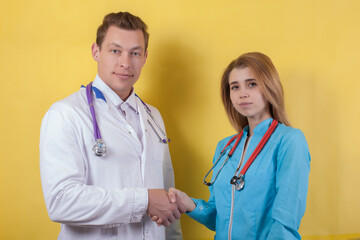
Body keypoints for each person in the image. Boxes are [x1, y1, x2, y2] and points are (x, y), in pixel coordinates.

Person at [40, 11, 183, 240]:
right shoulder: (66, 114)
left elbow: (167, 202)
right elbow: (61, 202)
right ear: (96, 52)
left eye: (135, 53)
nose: (125, 63)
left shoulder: (154, 117)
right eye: (115, 51)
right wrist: (143, 201)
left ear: (145, 57)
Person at [154, 52, 311, 239]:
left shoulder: (289, 141)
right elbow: (219, 217)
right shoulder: (225, 148)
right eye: (234, 87)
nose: (242, 93)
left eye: (252, 84)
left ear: (270, 86)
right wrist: (188, 204)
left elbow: (286, 221)